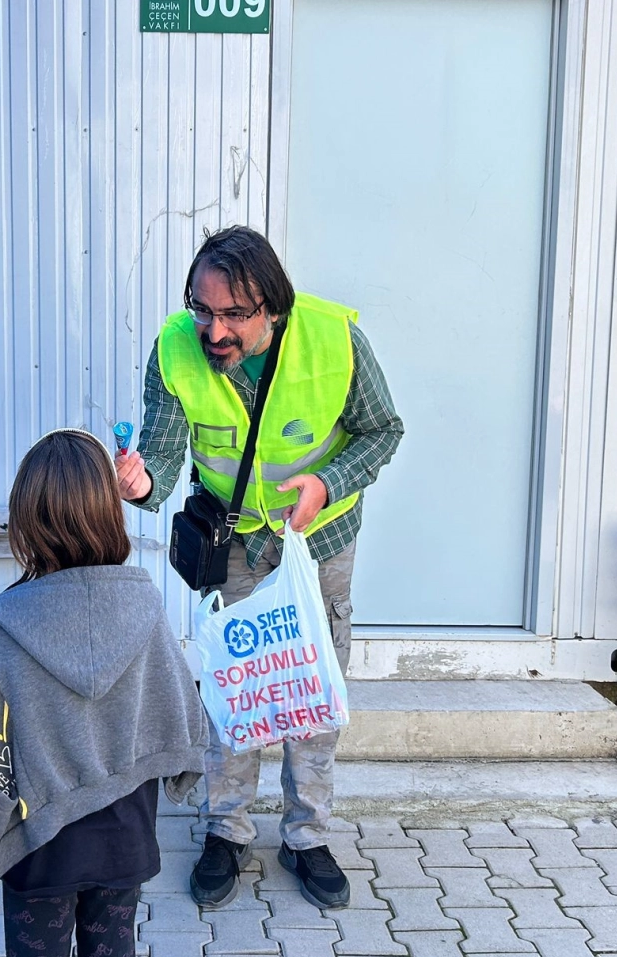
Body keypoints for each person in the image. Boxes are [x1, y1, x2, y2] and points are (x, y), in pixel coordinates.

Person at [115, 225, 403, 912]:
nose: (214, 329)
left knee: (309, 690)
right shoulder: (174, 349)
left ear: (271, 307)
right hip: (234, 542)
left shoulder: (335, 340)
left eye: (233, 314)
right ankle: (226, 830)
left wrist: (327, 484)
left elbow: (382, 431)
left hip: (318, 542)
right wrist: (138, 483)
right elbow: (160, 454)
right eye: (202, 309)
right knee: (232, 691)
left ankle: (306, 837)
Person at [0, 429, 209, 957]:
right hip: (122, 843)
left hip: (38, 844)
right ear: (108, 512)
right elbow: (175, 704)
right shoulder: (144, 605)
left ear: (26, 521)